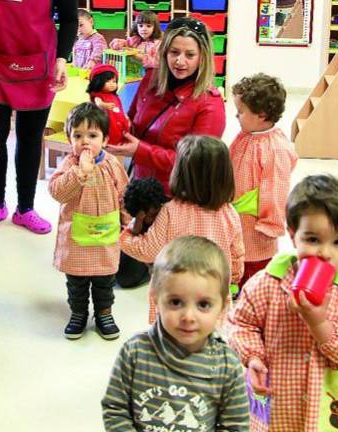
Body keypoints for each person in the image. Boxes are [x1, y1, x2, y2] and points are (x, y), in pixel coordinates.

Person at [228, 175, 338, 432]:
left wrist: (319, 323)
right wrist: (253, 357)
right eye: (313, 239)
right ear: (293, 235)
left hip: (329, 412)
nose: (325, 252)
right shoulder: (266, 284)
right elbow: (241, 324)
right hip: (277, 406)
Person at [106, 17, 226, 288]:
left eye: (189, 54)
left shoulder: (210, 104)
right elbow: (133, 121)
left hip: (176, 197)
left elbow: (192, 165)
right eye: (174, 52)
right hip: (141, 188)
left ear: (203, 57)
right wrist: (111, 119)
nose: (180, 61)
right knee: (117, 270)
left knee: (144, 273)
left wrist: (140, 149)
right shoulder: (150, 78)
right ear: (164, 51)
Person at [102, 236, 250, 431]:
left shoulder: (227, 366)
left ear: (222, 305)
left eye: (203, 305)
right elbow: (115, 409)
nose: (188, 316)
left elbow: (235, 426)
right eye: (175, 302)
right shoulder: (134, 353)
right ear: (155, 296)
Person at [0, 0, 78, 233]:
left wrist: (62, 59)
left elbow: (69, 18)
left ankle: (25, 208)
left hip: (41, 60)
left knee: (30, 137)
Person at [119, 135, 244, 322]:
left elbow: (147, 250)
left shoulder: (170, 211)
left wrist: (127, 234)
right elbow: (236, 259)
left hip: (175, 298)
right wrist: (232, 279)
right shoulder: (229, 213)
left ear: (180, 173)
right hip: (212, 297)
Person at [48, 103, 129, 341]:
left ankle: (104, 313)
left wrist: (128, 222)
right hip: (76, 236)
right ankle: (78, 313)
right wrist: (78, 174)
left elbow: (124, 194)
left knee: (105, 280)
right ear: (69, 138)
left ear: (104, 140)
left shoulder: (113, 164)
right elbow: (57, 192)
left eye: (92, 136)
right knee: (77, 280)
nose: (85, 142)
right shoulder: (69, 165)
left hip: (106, 234)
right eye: (78, 136)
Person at [229, 73, 297, 293]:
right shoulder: (245, 135)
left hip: (256, 231)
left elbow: (276, 191)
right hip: (236, 222)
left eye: (241, 111)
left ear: (262, 114)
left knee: (254, 280)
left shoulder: (275, 148)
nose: (236, 116)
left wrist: (270, 225)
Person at [87, 64, 130, 145]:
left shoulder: (115, 96)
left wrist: (125, 116)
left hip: (117, 121)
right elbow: (98, 103)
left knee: (120, 138)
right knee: (109, 138)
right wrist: (104, 105)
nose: (112, 84)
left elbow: (119, 108)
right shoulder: (98, 95)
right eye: (108, 81)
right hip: (108, 123)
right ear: (98, 82)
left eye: (114, 81)